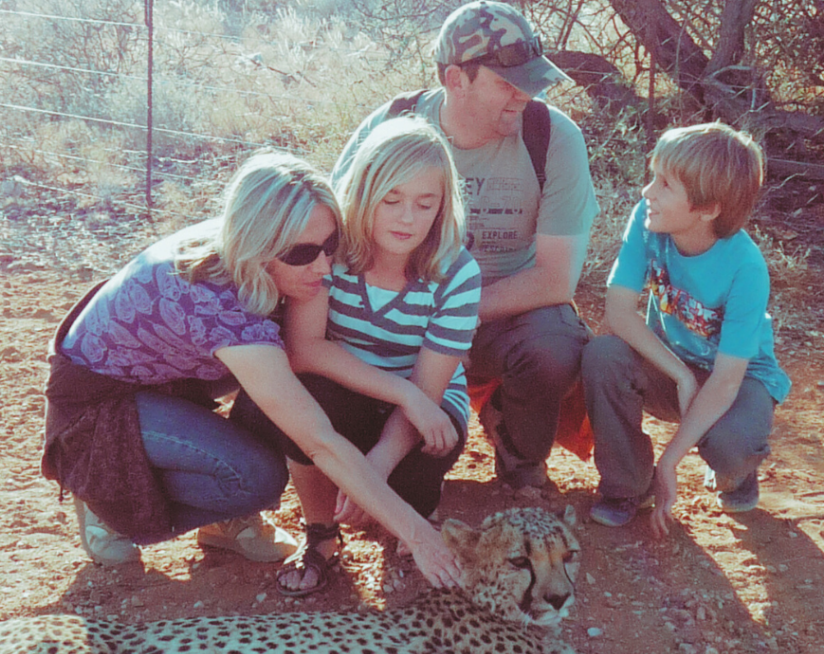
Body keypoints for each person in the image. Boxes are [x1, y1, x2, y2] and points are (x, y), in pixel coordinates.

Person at [41, 151, 461, 590]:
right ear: (258, 244)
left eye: (330, 245)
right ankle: (105, 499)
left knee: (280, 399)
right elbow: (319, 441)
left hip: (169, 380)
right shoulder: (216, 302)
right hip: (98, 407)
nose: (324, 266)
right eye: (303, 253)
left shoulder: (246, 253)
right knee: (257, 477)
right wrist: (417, 532)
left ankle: (219, 522)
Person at [334, 1, 599, 489]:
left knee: (554, 349)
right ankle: (362, 450)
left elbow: (557, 277)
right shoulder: (394, 125)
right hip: (402, 302)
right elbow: (338, 231)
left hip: (499, 308)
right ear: (456, 80)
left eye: (531, 79)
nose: (526, 95)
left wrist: (455, 318)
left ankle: (519, 455)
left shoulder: (553, 136)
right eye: (507, 83)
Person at [233, 117, 482, 596]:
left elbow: (428, 393)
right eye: (391, 200)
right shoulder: (332, 251)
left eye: (424, 204)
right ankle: (322, 534)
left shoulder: (457, 272)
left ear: (442, 207)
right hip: (356, 390)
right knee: (304, 400)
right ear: (363, 192)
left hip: (424, 404)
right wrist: (401, 396)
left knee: (430, 448)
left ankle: (414, 511)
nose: (407, 217)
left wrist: (375, 471)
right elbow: (304, 351)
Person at [581, 122, 791, 534]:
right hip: (671, 363)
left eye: (664, 184)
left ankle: (737, 470)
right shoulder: (648, 219)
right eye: (652, 176)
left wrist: (671, 459)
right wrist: (678, 374)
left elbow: (728, 380)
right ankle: (627, 486)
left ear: (707, 209)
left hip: (737, 380)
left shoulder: (746, 269)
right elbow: (619, 312)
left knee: (732, 446)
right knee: (602, 354)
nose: (647, 193)